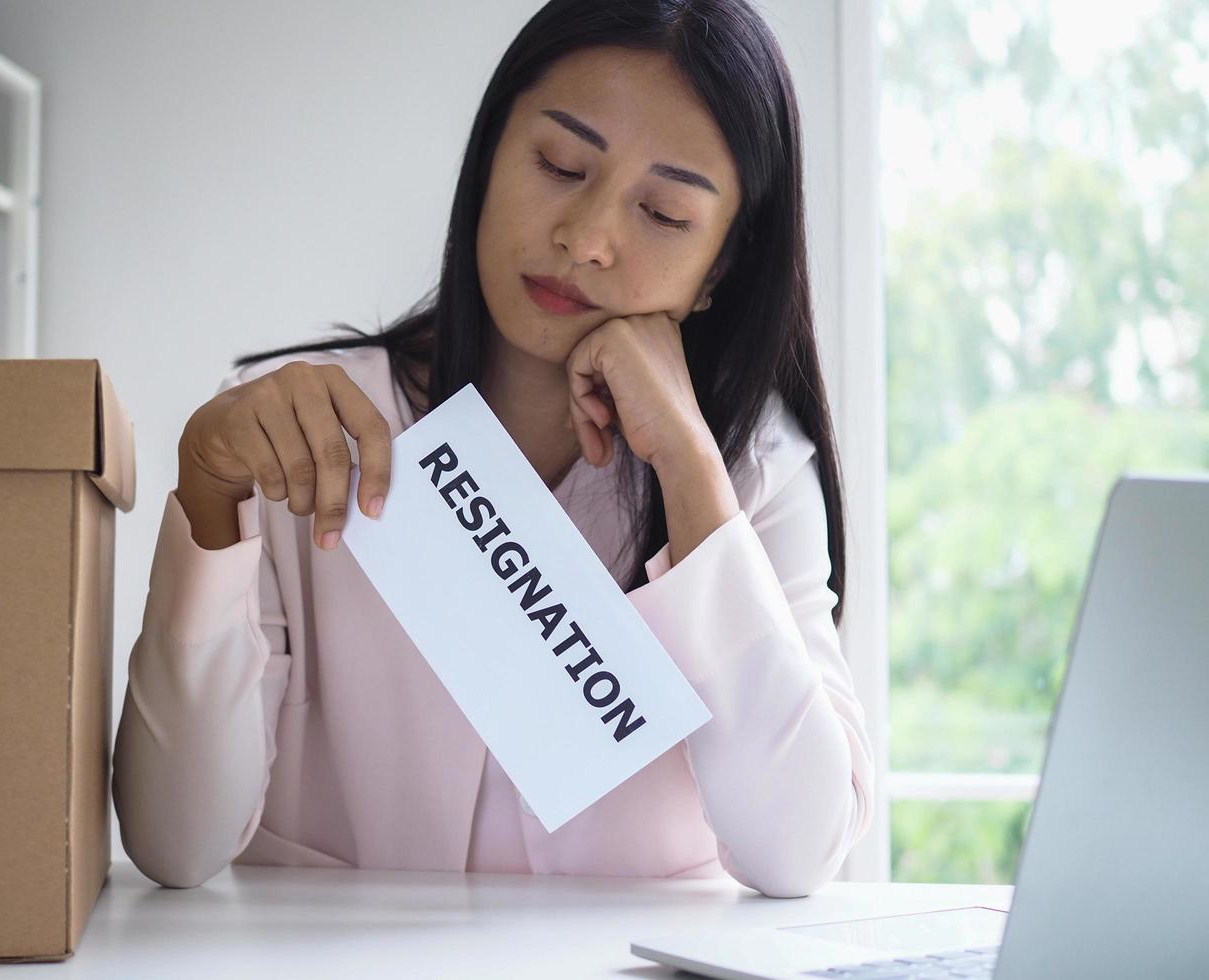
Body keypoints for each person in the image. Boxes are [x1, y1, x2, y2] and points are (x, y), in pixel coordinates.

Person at [112, 0, 874, 899]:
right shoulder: (305, 434)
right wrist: (206, 498)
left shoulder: (753, 470)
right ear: (487, 161)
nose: (585, 241)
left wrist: (695, 479)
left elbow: (799, 856)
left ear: (720, 269)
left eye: (664, 214)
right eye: (558, 165)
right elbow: (173, 842)